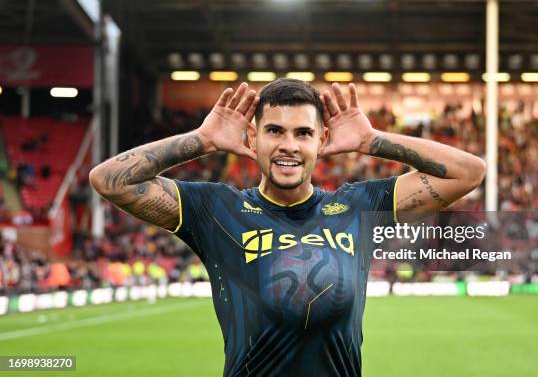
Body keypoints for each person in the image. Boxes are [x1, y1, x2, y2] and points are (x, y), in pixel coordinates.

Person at [89, 79, 486, 376]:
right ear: (253, 138)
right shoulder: (215, 210)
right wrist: (202, 139)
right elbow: (109, 180)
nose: (289, 146)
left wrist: (371, 140)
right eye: (274, 131)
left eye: (303, 133)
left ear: (322, 140)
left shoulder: (358, 206)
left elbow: (468, 172)